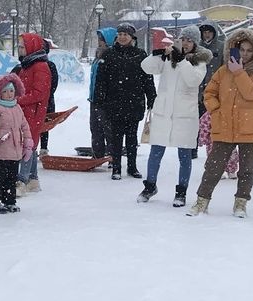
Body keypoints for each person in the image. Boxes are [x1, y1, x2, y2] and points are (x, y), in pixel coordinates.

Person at [188, 29, 253, 217]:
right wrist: (216, 111)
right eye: (242, 49)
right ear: (235, 49)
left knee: (247, 169)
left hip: (250, 129)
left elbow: (252, 94)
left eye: (250, 50)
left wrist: (239, 73)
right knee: (213, 166)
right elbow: (209, 93)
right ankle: (201, 202)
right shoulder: (223, 71)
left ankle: (241, 204)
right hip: (225, 125)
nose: (245, 54)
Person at [138, 26, 210, 207]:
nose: (185, 43)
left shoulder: (199, 61)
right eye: (183, 39)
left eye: (189, 40)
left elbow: (193, 80)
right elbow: (146, 67)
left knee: (184, 155)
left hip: (184, 116)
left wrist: (182, 60)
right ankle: (150, 186)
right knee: (156, 152)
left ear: (195, 43)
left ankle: (181, 191)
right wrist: (159, 55)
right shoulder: (169, 57)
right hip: (164, 113)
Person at [97, 23, 155, 180]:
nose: (122, 37)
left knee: (132, 137)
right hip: (114, 102)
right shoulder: (108, 55)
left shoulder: (140, 55)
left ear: (132, 38)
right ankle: (116, 168)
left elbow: (147, 79)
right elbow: (101, 80)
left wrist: (151, 97)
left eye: (126, 35)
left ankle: (132, 166)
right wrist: (99, 99)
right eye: (120, 34)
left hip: (134, 102)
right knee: (116, 137)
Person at [0, 74, 33, 215]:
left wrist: (28, 143)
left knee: (11, 177)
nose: (8, 94)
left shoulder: (17, 107)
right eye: (5, 91)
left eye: (11, 91)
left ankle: (9, 200)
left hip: (14, 150)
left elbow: (25, 126)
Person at [15, 33, 53, 194]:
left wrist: (18, 100)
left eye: (22, 46)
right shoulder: (28, 64)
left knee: (27, 144)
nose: (19, 49)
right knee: (31, 143)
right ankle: (32, 179)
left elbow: (39, 93)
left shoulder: (39, 66)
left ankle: (22, 180)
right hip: (27, 110)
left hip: (33, 111)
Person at [86, 29, 113, 159]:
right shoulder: (98, 56)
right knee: (95, 128)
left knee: (108, 129)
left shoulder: (111, 56)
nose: (99, 42)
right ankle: (97, 154)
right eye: (98, 40)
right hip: (94, 99)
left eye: (101, 40)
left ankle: (113, 155)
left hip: (105, 100)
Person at [39, 38, 60, 157]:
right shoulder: (27, 65)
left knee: (44, 125)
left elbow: (53, 85)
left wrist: (43, 96)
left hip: (47, 101)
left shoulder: (50, 66)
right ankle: (33, 149)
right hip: (43, 101)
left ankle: (43, 148)